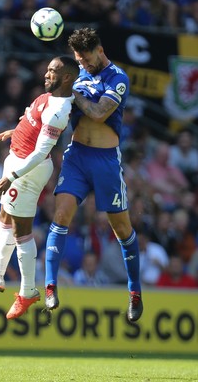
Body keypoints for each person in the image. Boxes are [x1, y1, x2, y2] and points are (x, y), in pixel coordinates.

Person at [0, 56, 80, 320]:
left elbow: (42, 151)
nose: (46, 74)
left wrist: (12, 176)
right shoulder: (48, 98)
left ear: (66, 78)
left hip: (28, 171)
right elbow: (31, 121)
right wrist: (15, 131)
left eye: (53, 71)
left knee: (21, 230)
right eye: (48, 69)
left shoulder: (59, 110)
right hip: (18, 159)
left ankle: (27, 291)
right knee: (5, 218)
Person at [44, 27, 143, 322]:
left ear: (99, 50)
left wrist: (72, 92)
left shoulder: (118, 78)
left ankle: (134, 291)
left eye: (85, 59)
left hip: (105, 160)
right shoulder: (77, 73)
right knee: (60, 215)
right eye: (78, 60)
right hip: (76, 156)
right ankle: (50, 286)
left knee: (122, 229)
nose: (82, 65)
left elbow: (100, 113)